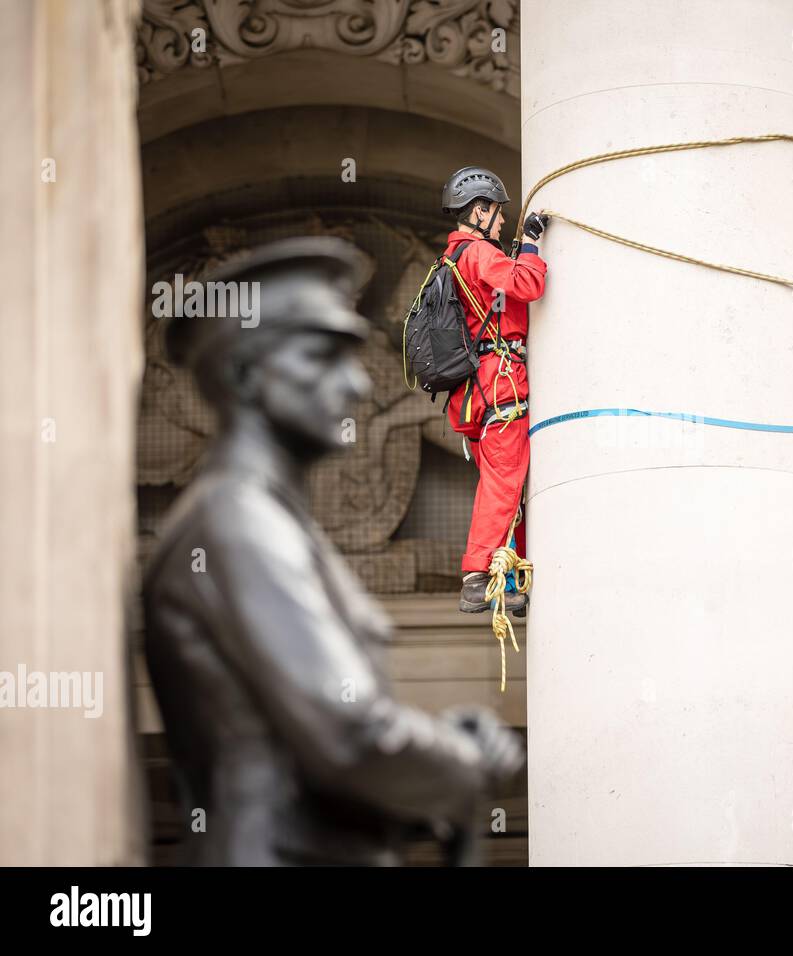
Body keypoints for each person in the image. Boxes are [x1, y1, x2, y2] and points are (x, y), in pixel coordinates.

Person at [144, 236, 523, 865]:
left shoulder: (269, 522)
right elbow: (351, 736)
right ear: (245, 376)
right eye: (322, 358)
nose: (354, 385)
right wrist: (465, 762)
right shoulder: (237, 522)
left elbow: (320, 770)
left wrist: (439, 749)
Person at [438, 166, 549, 616]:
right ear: (479, 211)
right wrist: (530, 244)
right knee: (504, 480)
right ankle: (477, 574)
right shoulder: (478, 252)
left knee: (507, 481)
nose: (501, 221)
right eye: (497, 213)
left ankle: (506, 577)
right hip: (500, 380)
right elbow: (527, 284)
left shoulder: (456, 257)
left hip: (480, 390)